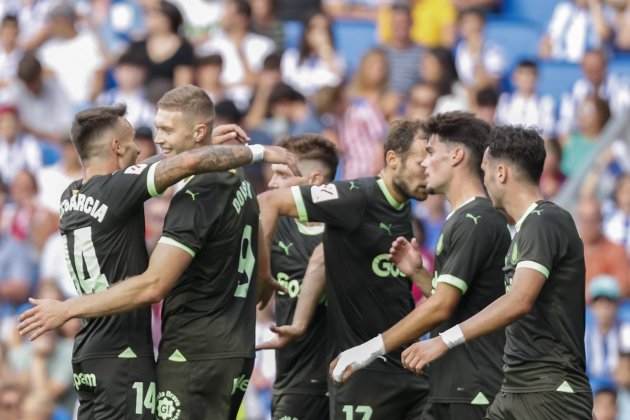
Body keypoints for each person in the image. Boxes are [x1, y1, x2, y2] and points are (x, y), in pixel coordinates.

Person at [17, 90, 299, 419]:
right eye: (135, 140)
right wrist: (261, 152)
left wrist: (204, 147)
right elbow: (185, 164)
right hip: (127, 356)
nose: (144, 147)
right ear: (117, 148)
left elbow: (165, 165)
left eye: (164, 132)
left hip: (91, 350)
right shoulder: (127, 190)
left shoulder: (71, 194)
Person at [400, 125, 593, 419]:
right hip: (515, 387)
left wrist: (443, 340)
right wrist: (420, 276)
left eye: (485, 171)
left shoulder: (546, 221)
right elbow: (489, 306)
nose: (483, 180)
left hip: (550, 390)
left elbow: (519, 301)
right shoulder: (523, 230)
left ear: (501, 173)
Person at [331, 112, 510, 420]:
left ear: (456, 155)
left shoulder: (476, 221)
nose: (425, 163)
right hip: (452, 383)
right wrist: (419, 274)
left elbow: (441, 307)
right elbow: (463, 305)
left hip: (473, 388)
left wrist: (367, 350)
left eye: (430, 153)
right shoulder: (462, 219)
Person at [257, 120, 430, 419]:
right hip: (359, 373)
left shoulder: (402, 207)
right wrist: (262, 276)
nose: (428, 168)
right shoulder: (356, 195)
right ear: (392, 160)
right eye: (420, 160)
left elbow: (321, 258)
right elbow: (269, 202)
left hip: (404, 369)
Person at [266, 134, 338, 420]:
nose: (271, 184)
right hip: (295, 380)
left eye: (281, 175)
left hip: (350, 382)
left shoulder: (350, 230)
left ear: (314, 181)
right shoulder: (273, 230)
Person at [496, 60, 556, 139]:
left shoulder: (546, 102)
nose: (526, 79)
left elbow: (548, 130)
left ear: (537, 78)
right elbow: (501, 126)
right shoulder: (505, 100)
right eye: (523, 75)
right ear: (515, 78)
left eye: (530, 75)